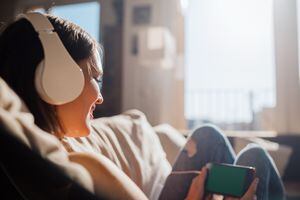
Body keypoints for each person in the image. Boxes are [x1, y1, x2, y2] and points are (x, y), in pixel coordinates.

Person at [0, 13, 285, 200]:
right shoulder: (83, 165)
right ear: (58, 80)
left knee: (209, 136)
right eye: (95, 78)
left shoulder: (30, 158)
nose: (99, 97)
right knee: (256, 159)